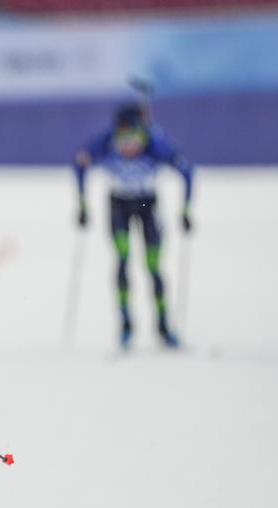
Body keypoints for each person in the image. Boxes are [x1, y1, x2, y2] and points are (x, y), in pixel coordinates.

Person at [73, 102, 194, 348]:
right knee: (123, 258)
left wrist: (185, 209)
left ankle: (163, 326)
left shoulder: (155, 143)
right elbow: (80, 163)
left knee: (153, 266)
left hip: (147, 205)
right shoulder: (105, 140)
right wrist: (83, 204)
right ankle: (126, 324)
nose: (129, 146)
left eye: (134, 139)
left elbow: (187, 171)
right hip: (119, 206)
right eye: (123, 140)